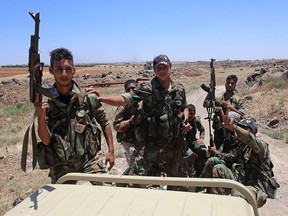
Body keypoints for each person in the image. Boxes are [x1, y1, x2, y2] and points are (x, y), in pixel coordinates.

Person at [88, 54, 191, 178]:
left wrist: (185, 120)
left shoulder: (179, 89)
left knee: (177, 182)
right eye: (159, 68)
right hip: (151, 147)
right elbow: (124, 99)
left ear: (170, 67)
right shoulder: (147, 88)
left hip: (174, 145)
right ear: (154, 70)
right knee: (138, 180)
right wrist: (102, 98)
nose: (162, 71)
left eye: (165, 67)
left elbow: (184, 107)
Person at [34, 48, 115, 183]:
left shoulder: (87, 98)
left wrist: (111, 151)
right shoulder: (46, 104)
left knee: (108, 191)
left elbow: (104, 122)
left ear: (74, 70)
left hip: (89, 159)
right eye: (59, 69)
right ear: (51, 70)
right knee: (61, 201)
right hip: (61, 164)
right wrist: (41, 117)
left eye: (68, 69)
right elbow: (46, 141)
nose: (64, 74)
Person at [202, 108, 279, 208]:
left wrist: (234, 128)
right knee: (218, 169)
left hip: (257, 188)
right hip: (241, 180)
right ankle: (216, 206)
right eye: (240, 127)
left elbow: (250, 139)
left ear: (253, 132)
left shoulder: (261, 147)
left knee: (237, 193)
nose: (241, 130)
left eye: (244, 128)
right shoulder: (241, 146)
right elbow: (231, 158)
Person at [203, 74, 245, 150]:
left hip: (231, 133)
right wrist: (210, 91)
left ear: (235, 85)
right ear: (225, 83)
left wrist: (231, 107)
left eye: (232, 83)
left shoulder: (238, 100)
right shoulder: (218, 98)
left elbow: (242, 116)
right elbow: (205, 104)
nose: (229, 85)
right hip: (218, 132)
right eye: (228, 82)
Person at [113, 79, 142, 174]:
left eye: (133, 88)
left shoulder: (144, 103)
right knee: (134, 167)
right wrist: (129, 122)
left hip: (142, 140)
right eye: (128, 89)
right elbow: (116, 126)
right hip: (129, 141)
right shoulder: (123, 106)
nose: (131, 91)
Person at [184, 104, 208, 177]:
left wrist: (201, 138)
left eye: (192, 114)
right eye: (189, 114)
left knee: (203, 150)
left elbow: (202, 129)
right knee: (189, 158)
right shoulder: (183, 121)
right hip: (183, 144)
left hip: (192, 142)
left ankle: (203, 171)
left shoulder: (196, 120)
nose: (190, 116)